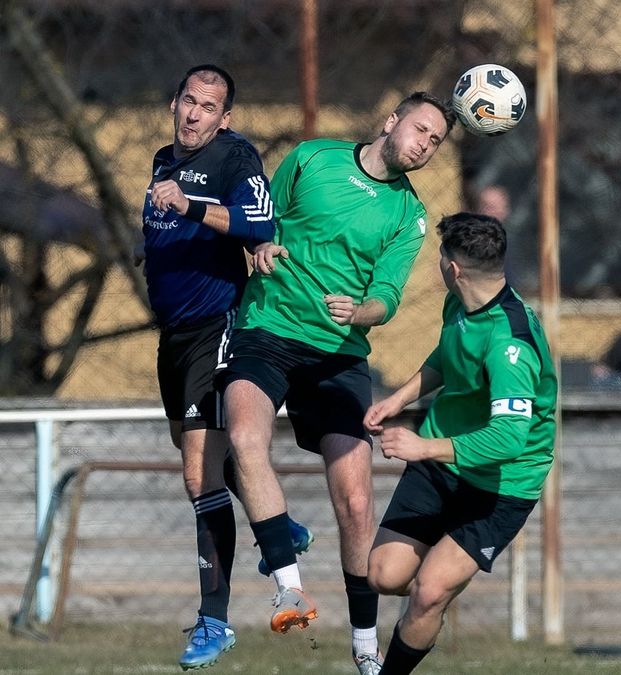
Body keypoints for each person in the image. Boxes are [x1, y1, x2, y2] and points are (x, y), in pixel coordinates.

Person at [218, 91, 454, 675]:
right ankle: (289, 589)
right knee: (246, 439)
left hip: (338, 355)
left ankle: (366, 645)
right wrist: (259, 244)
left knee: (355, 500)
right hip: (266, 330)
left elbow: (387, 299)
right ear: (391, 120)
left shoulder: (409, 215)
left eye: (436, 141)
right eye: (420, 129)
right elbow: (258, 221)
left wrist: (361, 311)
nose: (424, 145)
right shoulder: (313, 158)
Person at [140, 64, 312, 671]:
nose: (195, 114)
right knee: (199, 461)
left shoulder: (236, 156)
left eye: (208, 107)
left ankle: (215, 621)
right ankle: (281, 530)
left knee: (198, 476)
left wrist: (189, 206)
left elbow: (260, 223)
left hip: (216, 327)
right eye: (188, 100)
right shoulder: (163, 157)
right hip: (174, 335)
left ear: (225, 117)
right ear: (174, 102)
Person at [363, 213, 557, 674]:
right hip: (442, 462)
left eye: (440, 257)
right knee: (384, 575)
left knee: (428, 592)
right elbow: (447, 359)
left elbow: (508, 439)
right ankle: (438, 584)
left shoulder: (511, 345)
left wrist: (421, 447)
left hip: (501, 482)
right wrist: (398, 399)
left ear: (453, 269)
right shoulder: (461, 304)